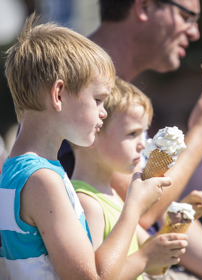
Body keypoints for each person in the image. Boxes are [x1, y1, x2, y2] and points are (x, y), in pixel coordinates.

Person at [60, 1, 202, 279]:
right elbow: (143, 209)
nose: (195, 32)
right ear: (145, 6)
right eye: (187, 16)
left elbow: (156, 212)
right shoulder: (78, 91)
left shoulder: (119, 98)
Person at [0, 13, 171, 280]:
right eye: (99, 99)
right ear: (58, 95)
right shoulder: (43, 180)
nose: (103, 112)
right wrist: (134, 209)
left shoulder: (14, 171)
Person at [72, 77, 202, 279]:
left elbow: (154, 266)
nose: (143, 144)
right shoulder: (86, 203)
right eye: (132, 133)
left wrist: (180, 217)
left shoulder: (111, 195)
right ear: (92, 133)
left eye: (144, 133)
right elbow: (98, 276)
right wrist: (145, 259)